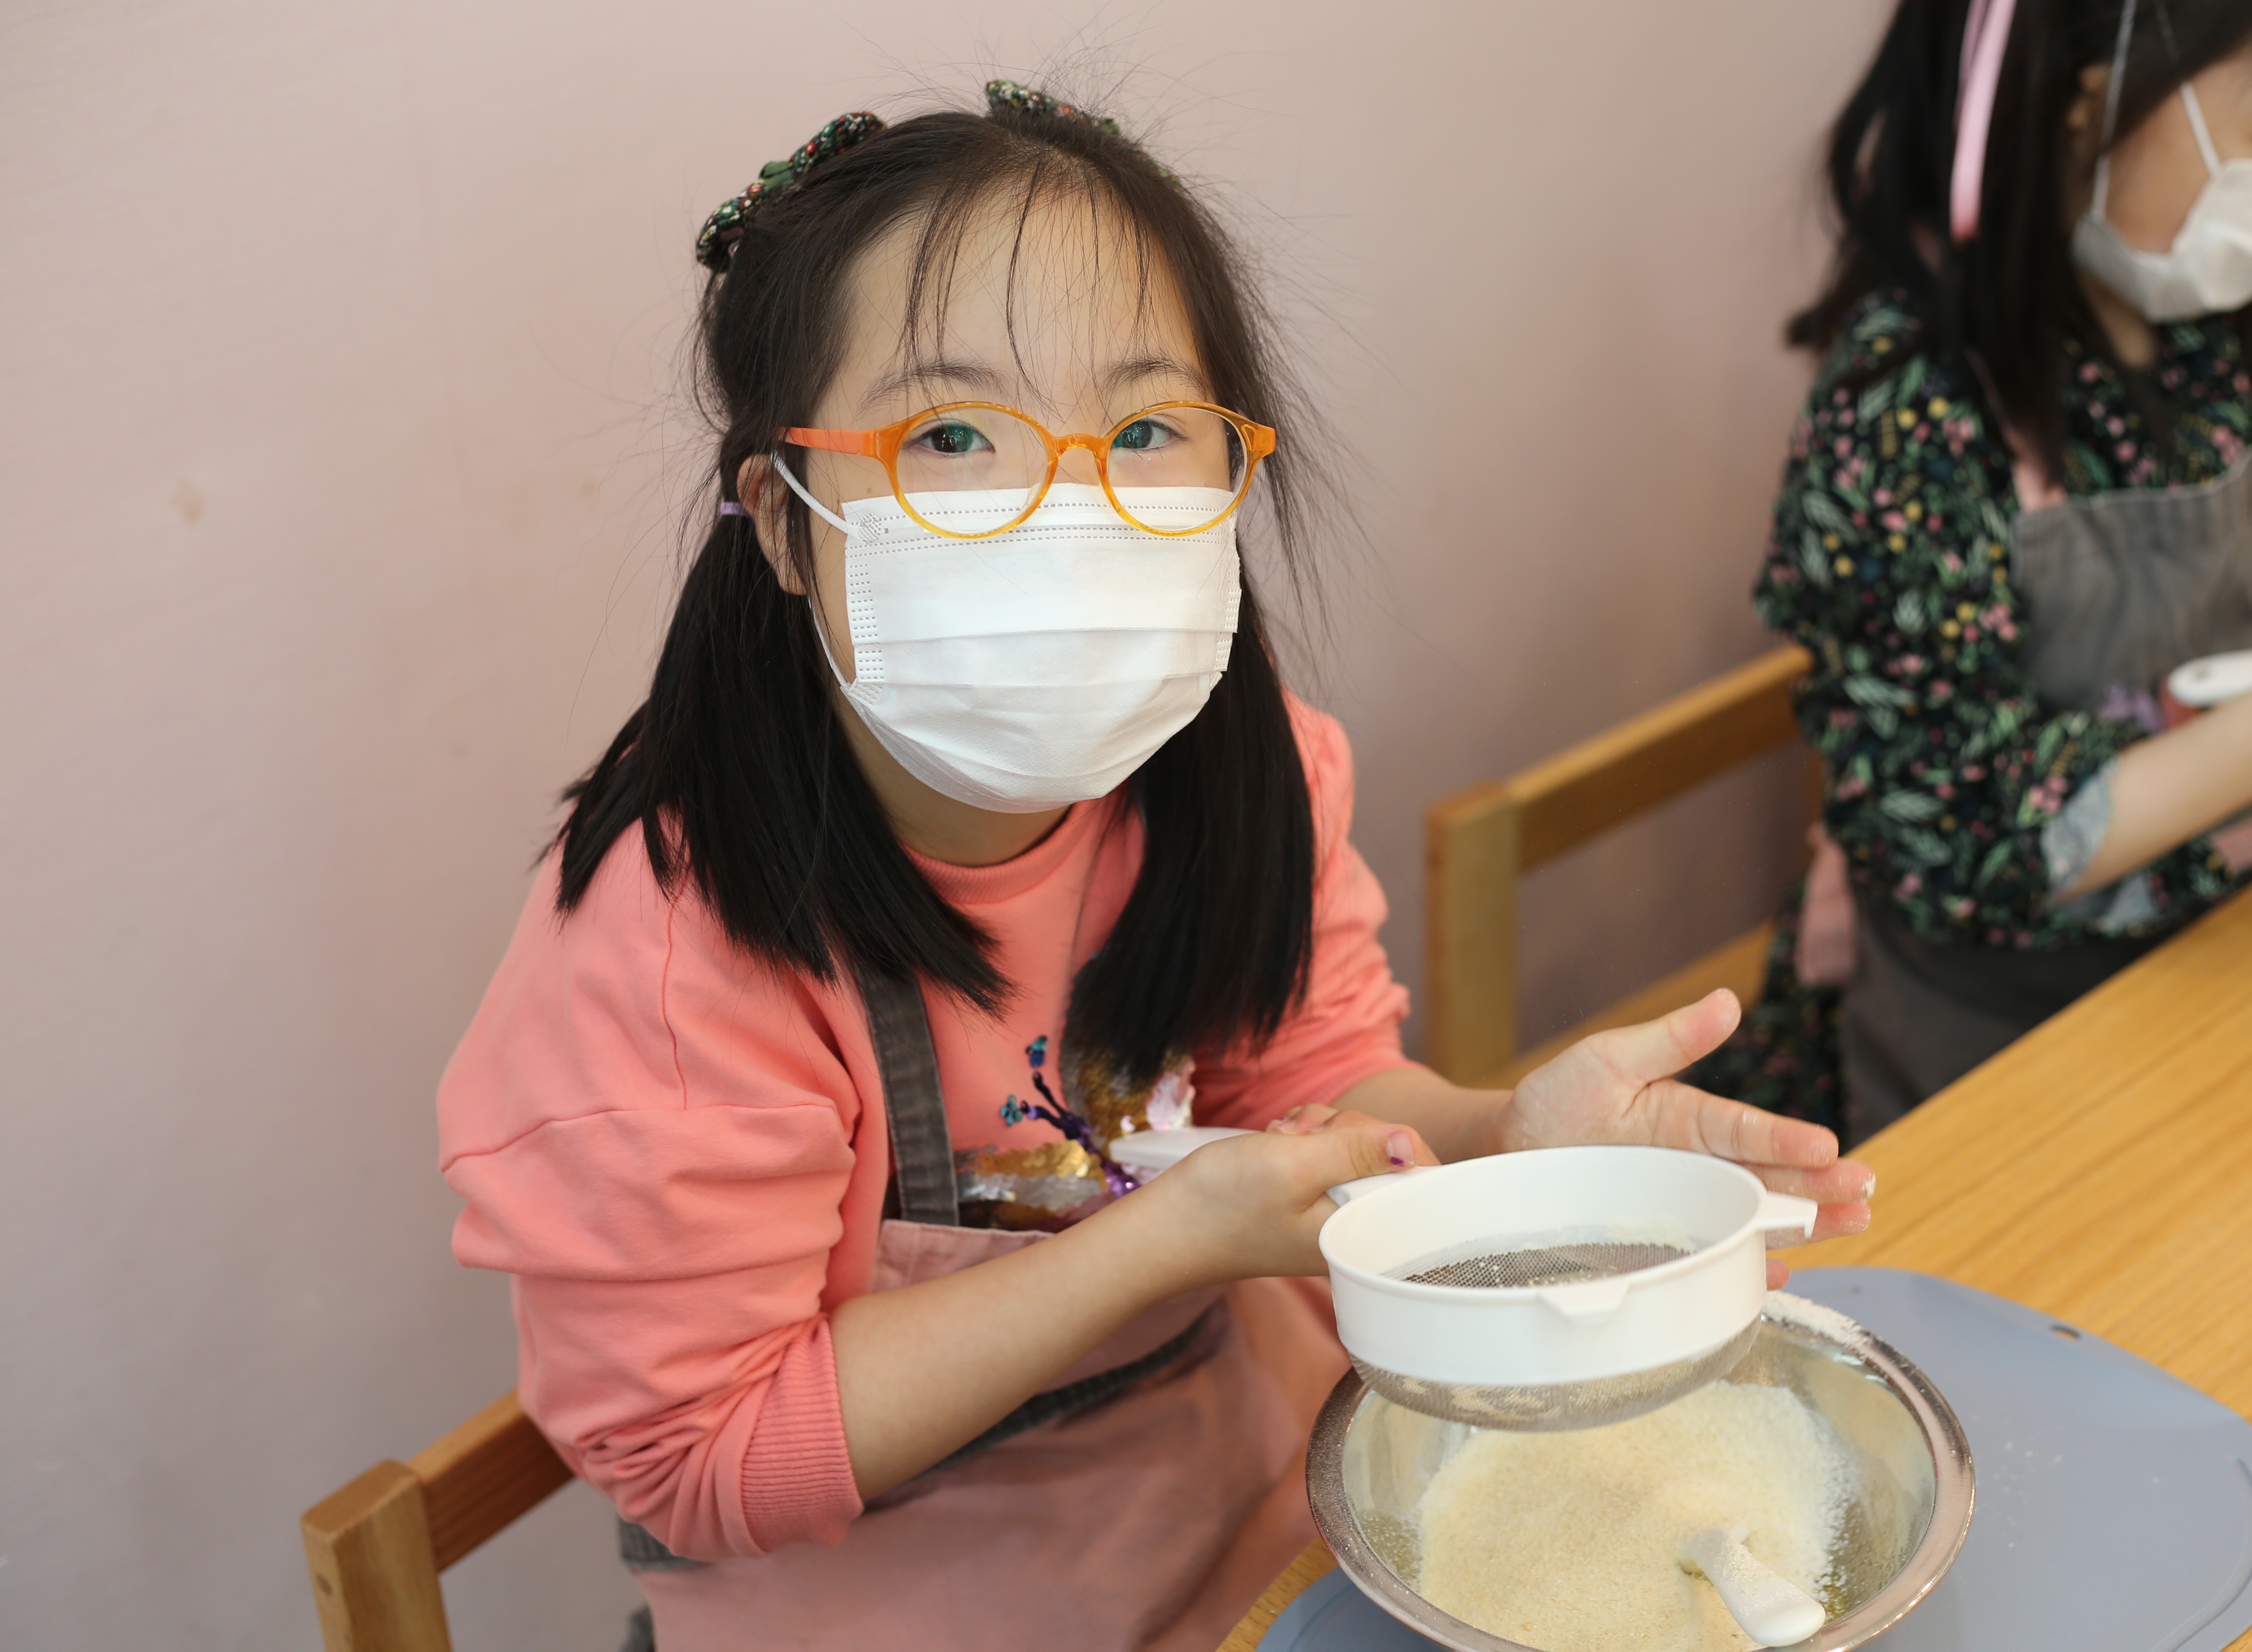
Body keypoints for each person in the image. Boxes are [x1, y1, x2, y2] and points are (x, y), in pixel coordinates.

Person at [435, 84, 1873, 1652]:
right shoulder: (672, 952)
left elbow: (1303, 1085)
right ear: (781, 520)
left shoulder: (1240, 772)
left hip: (1264, 1508)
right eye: (951, 436)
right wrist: (1162, 1241)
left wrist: (1497, 1141)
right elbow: (710, 1456)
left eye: (1139, 431)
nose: (1064, 510)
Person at [1690, 0, 2252, 1142]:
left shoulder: (2251, 276)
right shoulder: (1906, 413)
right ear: (2085, 96)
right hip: (2010, 1039)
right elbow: (1962, 835)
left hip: (2251, 945)